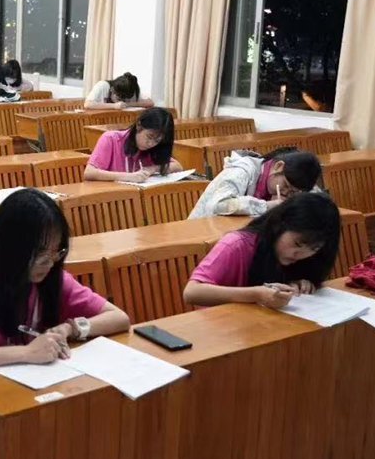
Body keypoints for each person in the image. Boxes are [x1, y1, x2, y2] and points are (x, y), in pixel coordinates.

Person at [0, 188, 130, 370]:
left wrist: (69, 328)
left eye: (57, 252)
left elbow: (119, 318)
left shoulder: (53, 279)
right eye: (41, 254)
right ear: (11, 249)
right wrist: (25, 353)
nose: (50, 263)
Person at [182, 193, 341, 308]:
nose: (301, 255)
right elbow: (192, 292)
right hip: (223, 330)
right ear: (279, 225)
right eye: (297, 244)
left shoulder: (305, 258)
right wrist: (256, 294)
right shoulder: (237, 245)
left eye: (314, 249)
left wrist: (296, 284)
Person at [188, 148, 322, 219]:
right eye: (286, 186)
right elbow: (218, 205)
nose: (286, 193)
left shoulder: (294, 179)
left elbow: (317, 199)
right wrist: (265, 206)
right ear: (278, 166)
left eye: (293, 192)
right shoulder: (241, 171)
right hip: (202, 233)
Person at [84, 107, 182, 182]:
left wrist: (153, 168)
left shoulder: (156, 148)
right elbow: (89, 172)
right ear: (139, 126)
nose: (151, 143)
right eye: (149, 137)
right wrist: (129, 176)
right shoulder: (111, 139)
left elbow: (178, 166)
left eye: (157, 141)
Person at [84, 73, 154, 111]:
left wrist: (128, 104)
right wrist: (114, 106)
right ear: (112, 89)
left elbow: (150, 102)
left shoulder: (130, 90)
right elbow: (88, 104)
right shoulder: (103, 85)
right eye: (119, 98)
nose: (121, 101)